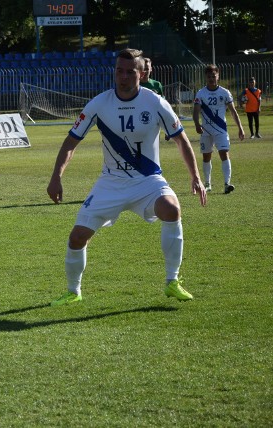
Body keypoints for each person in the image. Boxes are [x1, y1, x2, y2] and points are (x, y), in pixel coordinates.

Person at [47, 48, 207, 306]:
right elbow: (70, 142)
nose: (123, 77)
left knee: (171, 208)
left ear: (141, 74)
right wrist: (56, 177)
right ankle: (73, 292)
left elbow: (181, 139)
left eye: (129, 72)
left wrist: (195, 176)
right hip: (110, 182)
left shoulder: (155, 102)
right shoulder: (99, 103)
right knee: (77, 236)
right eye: (119, 71)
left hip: (147, 180)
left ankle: (172, 281)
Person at [193, 64, 245, 194]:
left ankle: (227, 184)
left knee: (224, 153)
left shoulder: (224, 92)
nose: (211, 78)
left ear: (218, 76)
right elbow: (196, 112)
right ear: (206, 77)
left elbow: (233, 111)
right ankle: (207, 183)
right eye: (209, 76)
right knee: (206, 157)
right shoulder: (201, 93)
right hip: (206, 131)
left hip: (221, 130)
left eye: (214, 76)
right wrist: (197, 124)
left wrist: (240, 128)